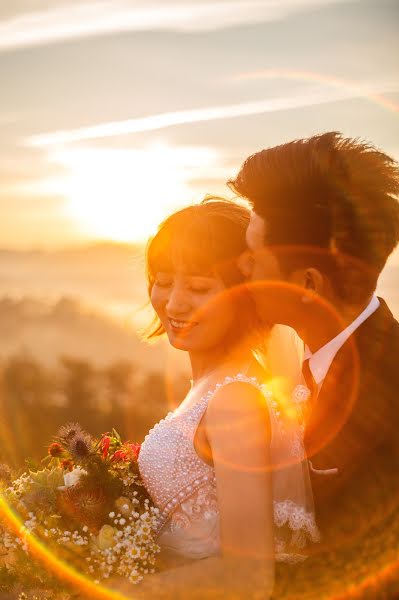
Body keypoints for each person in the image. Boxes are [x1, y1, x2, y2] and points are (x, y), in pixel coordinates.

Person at [114, 198, 320, 600]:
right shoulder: (215, 386)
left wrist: (115, 590)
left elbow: (248, 579)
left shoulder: (235, 401)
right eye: (163, 280)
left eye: (198, 287)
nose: (173, 303)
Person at [228, 131, 399, 597]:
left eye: (254, 254)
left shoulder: (389, 400)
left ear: (306, 283)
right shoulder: (287, 364)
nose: (240, 267)